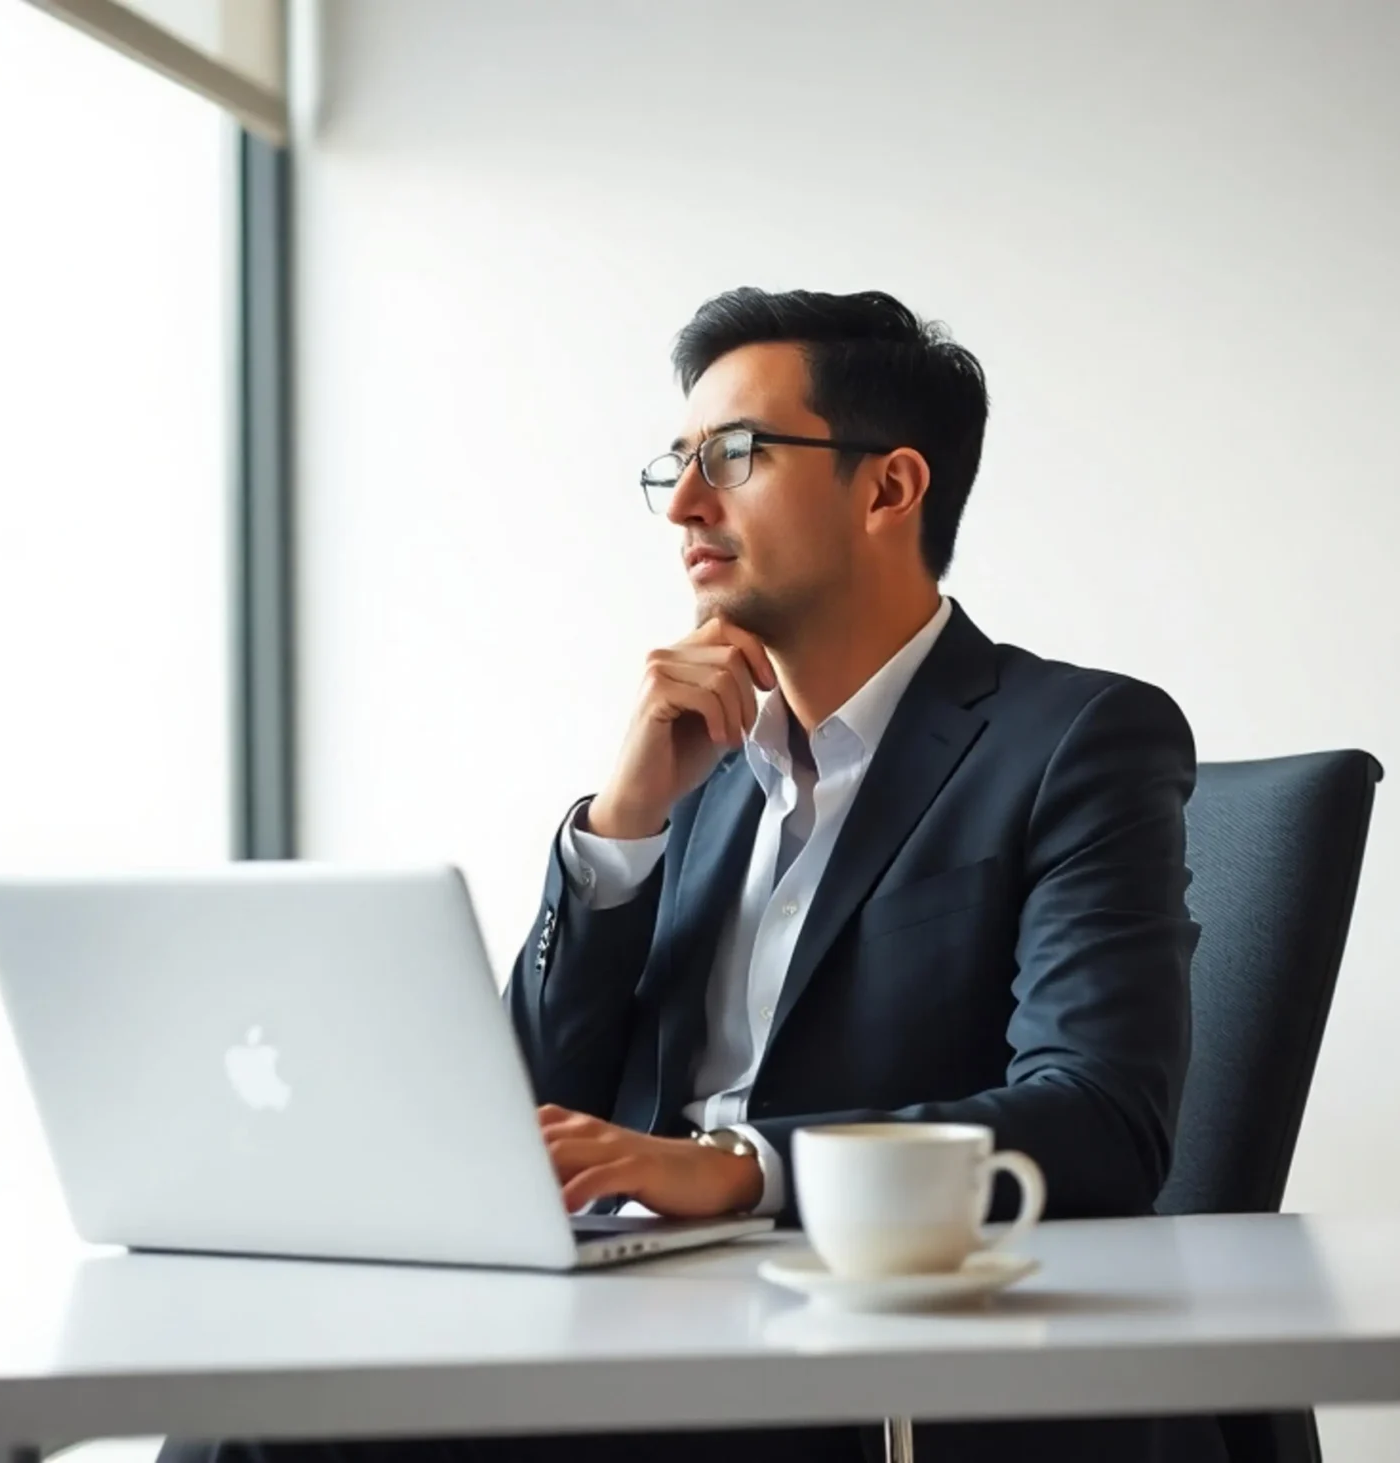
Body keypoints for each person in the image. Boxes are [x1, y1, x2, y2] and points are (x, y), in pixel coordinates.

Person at [166, 289, 1224, 1463]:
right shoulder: (705, 771)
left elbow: (1097, 1116)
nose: (682, 503)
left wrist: (734, 1168)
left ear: (888, 488)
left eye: (734, 454)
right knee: (246, 1397)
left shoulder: (1074, 738)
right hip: (623, 1321)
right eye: (676, 463)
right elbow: (532, 1107)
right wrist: (621, 828)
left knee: (270, 1431)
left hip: (855, 1357)